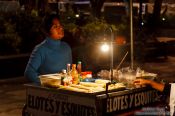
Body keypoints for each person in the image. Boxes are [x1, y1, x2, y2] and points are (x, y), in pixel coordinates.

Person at [24, 13, 72, 85]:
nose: (61, 28)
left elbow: (70, 70)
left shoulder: (66, 47)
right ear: (47, 31)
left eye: (60, 25)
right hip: (48, 92)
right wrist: (47, 82)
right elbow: (29, 73)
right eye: (55, 27)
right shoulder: (41, 49)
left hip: (66, 88)